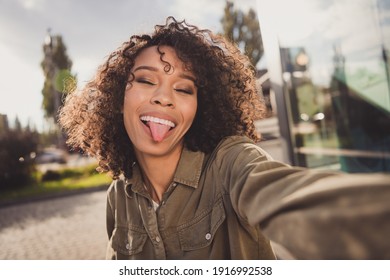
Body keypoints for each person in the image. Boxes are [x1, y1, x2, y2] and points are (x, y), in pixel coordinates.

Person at [58, 17, 390, 260]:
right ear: (119, 97)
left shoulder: (231, 162)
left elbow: (289, 196)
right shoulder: (119, 196)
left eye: (184, 88)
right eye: (146, 80)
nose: (164, 97)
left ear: (200, 106)